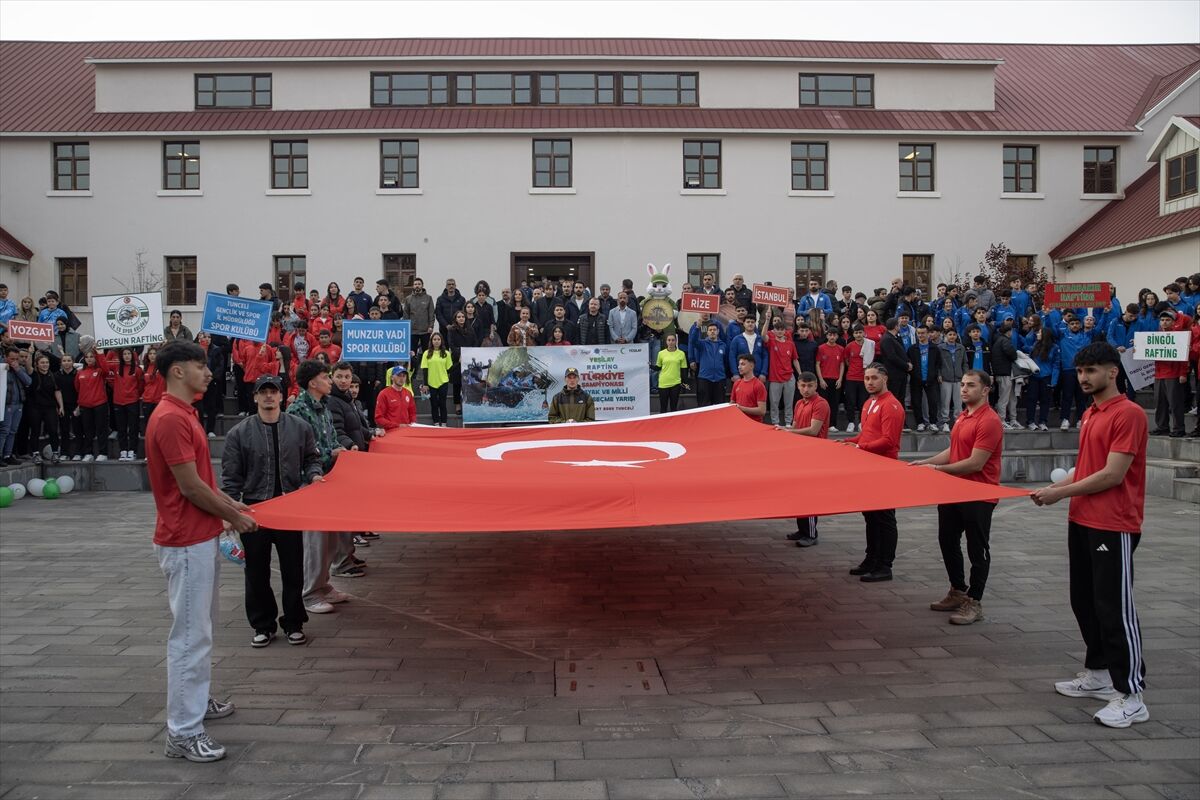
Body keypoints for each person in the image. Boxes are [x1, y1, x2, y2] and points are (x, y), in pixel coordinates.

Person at [146, 340, 257, 763]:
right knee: (190, 636)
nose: (209, 372)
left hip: (200, 535)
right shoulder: (171, 419)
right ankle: (183, 730)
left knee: (201, 629)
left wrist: (231, 508)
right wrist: (238, 518)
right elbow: (189, 488)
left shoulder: (184, 414)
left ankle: (197, 700)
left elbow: (202, 482)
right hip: (185, 539)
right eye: (199, 365)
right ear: (177, 371)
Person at [1032, 342, 1149, 729]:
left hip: (1113, 524)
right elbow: (1087, 468)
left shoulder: (1128, 414)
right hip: (1082, 519)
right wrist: (1060, 488)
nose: (1083, 378)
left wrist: (1058, 492)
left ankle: (1132, 695)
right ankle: (1099, 673)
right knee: (1084, 601)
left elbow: (1113, 474)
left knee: (1115, 609)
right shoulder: (1092, 413)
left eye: (1092, 371)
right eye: (1080, 372)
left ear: (1113, 372)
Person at [222, 374, 321, 647]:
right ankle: (262, 624)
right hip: (255, 510)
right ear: (254, 396)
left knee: (293, 570)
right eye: (263, 392)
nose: (268, 396)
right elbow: (231, 478)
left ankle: (293, 622)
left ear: (281, 396)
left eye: (273, 391)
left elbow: (312, 459)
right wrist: (229, 513)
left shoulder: (300, 428)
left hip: (289, 509)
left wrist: (313, 476)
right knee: (256, 571)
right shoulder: (238, 433)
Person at [912, 369, 1004, 625]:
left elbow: (976, 463)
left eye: (971, 386)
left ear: (985, 390)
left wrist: (937, 470)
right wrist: (925, 462)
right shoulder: (964, 416)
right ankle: (957, 590)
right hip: (955, 491)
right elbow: (954, 450)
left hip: (979, 493)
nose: (964, 389)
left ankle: (974, 601)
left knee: (977, 548)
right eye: (962, 385)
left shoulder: (989, 421)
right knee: (947, 540)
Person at [287, 359, 351, 615]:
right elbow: (300, 451)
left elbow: (332, 437)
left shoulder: (324, 407)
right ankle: (310, 592)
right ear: (313, 382)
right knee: (315, 541)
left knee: (330, 537)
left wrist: (339, 452)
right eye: (326, 377)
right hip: (309, 480)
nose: (330, 381)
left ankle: (324, 585)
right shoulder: (298, 411)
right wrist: (330, 453)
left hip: (329, 477)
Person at [844, 363, 904, 582]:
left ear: (884, 378)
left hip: (884, 469)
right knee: (871, 516)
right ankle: (871, 558)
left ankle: (885, 565)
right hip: (869, 468)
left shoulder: (891, 405)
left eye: (874, 378)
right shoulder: (869, 403)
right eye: (867, 378)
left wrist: (859, 448)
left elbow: (889, 440)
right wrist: (848, 442)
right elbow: (866, 435)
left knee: (884, 518)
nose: (869, 382)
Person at [326, 362, 374, 576]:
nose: (344, 381)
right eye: (340, 376)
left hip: (355, 461)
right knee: (342, 514)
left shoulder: (347, 400)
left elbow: (356, 426)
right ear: (332, 376)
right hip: (344, 462)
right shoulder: (334, 401)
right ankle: (341, 561)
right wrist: (349, 444)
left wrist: (370, 434)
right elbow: (336, 430)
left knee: (350, 512)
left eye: (347, 377)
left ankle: (347, 555)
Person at [788, 372, 830, 546]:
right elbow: (795, 425)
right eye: (803, 386)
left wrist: (788, 432)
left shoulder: (821, 404)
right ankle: (802, 529)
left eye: (810, 385)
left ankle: (811, 534)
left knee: (809, 494)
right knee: (799, 492)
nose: (806, 389)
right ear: (798, 385)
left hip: (815, 454)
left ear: (816, 386)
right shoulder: (799, 403)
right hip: (800, 453)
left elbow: (813, 430)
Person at [1151, 308, 1192, 437]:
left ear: (1173, 322)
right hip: (1158, 374)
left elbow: (1184, 357)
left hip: (1173, 374)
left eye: (1167, 320)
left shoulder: (1178, 336)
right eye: (1162, 320)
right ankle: (1162, 427)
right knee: (1160, 403)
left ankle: (1178, 428)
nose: (1164, 322)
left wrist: (1183, 373)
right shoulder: (1155, 336)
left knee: (1175, 403)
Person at [763, 311, 801, 427]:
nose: (779, 331)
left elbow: (795, 360)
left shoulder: (790, 344)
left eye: (781, 329)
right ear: (773, 331)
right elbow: (763, 335)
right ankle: (775, 422)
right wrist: (767, 319)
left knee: (789, 402)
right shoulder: (771, 342)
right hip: (775, 377)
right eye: (777, 329)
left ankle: (788, 422)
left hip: (789, 377)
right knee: (774, 402)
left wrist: (800, 374)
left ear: (785, 331)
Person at [73, 348, 112, 462]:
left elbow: (106, 369)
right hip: (85, 405)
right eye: (87, 357)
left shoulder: (100, 371)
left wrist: (100, 354)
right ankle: (88, 453)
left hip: (100, 404)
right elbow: (77, 388)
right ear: (84, 359)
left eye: (91, 357)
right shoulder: (80, 372)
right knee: (87, 430)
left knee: (101, 429)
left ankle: (103, 453)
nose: (89, 359)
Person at [24, 351, 63, 463]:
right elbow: (28, 365)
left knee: (53, 430)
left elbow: (57, 391)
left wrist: (61, 406)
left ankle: (55, 454)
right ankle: (36, 454)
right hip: (35, 407)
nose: (45, 364)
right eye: (42, 363)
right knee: (35, 431)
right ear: (37, 364)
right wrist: (30, 353)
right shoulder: (33, 373)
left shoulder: (53, 376)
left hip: (50, 407)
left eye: (46, 362)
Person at [906, 325, 941, 432]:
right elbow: (909, 364)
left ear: (928, 334)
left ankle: (933, 422)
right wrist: (914, 374)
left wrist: (936, 375)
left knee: (933, 402)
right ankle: (920, 423)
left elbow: (938, 363)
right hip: (916, 379)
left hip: (931, 379)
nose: (921, 335)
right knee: (916, 402)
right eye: (919, 333)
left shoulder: (934, 348)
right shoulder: (912, 348)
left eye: (923, 333)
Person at [112, 347, 144, 460]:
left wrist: (134, 394)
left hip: (132, 402)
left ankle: (132, 451)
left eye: (128, 354)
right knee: (121, 428)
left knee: (133, 428)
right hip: (118, 402)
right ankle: (123, 450)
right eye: (124, 354)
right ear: (121, 356)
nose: (126, 356)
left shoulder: (138, 370)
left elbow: (140, 386)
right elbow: (110, 380)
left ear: (132, 355)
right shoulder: (116, 368)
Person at [691, 322, 729, 407]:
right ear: (707, 332)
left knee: (719, 406)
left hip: (720, 378)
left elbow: (726, 361)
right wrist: (697, 327)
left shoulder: (723, 345)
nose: (712, 331)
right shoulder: (702, 344)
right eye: (710, 330)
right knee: (705, 405)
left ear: (718, 331)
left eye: (714, 330)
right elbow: (693, 341)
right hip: (705, 378)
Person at [420, 332, 452, 427]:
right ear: (431, 341)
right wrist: (425, 384)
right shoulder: (426, 353)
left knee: (442, 403)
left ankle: (444, 424)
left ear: (441, 341)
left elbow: (449, 369)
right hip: (430, 383)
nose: (436, 341)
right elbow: (425, 370)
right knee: (434, 404)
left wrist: (458, 363)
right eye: (434, 339)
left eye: (438, 339)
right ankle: (436, 423)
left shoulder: (446, 353)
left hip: (443, 382)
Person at [816, 328, 845, 430]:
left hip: (836, 379)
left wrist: (840, 379)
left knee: (834, 403)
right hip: (824, 379)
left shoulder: (841, 349)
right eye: (830, 335)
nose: (832, 337)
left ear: (837, 336)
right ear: (827, 336)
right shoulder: (821, 348)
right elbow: (817, 364)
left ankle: (832, 424)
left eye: (834, 335)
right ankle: (822, 424)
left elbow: (842, 364)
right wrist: (821, 379)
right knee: (823, 404)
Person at [654, 332, 688, 413]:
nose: (671, 342)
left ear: (676, 341)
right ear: (666, 341)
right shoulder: (661, 353)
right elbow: (658, 367)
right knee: (663, 408)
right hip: (663, 383)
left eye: (673, 340)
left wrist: (684, 384)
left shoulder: (681, 354)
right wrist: (648, 365)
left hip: (676, 383)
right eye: (669, 340)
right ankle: (663, 425)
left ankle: (674, 425)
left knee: (674, 408)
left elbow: (684, 370)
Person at [375, 365, 417, 429]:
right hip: (391, 432)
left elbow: (412, 413)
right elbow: (379, 418)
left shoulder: (408, 393)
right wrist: (397, 426)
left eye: (404, 376)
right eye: (399, 375)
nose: (401, 378)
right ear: (392, 377)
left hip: (406, 431)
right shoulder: (384, 394)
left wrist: (412, 424)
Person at [730, 352, 767, 419]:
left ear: (751, 366)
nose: (739, 367)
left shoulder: (758, 385)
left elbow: (762, 410)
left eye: (743, 364)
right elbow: (732, 403)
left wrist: (740, 408)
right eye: (739, 364)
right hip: (739, 422)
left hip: (754, 424)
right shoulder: (736, 383)